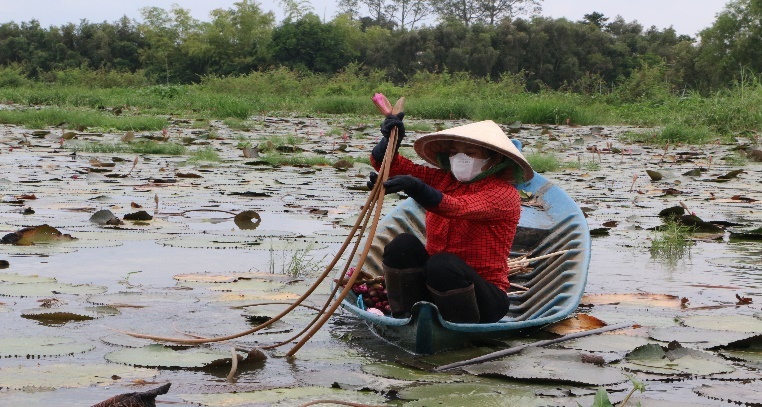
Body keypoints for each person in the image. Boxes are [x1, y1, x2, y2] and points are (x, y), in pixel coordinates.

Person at [368, 114, 534, 323]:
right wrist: (391, 140)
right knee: (402, 245)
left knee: (442, 264)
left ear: (495, 159)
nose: (461, 158)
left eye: (471, 153)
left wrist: (416, 187)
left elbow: (454, 207)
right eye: (455, 153)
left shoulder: (503, 194)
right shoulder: (444, 180)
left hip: (484, 298)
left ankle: (458, 326)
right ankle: (407, 317)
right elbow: (391, 166)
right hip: (434, 286)